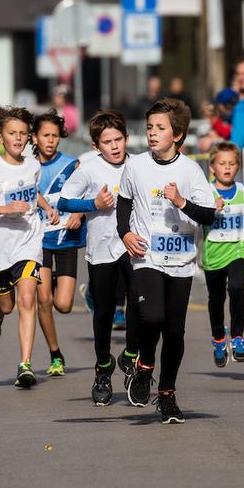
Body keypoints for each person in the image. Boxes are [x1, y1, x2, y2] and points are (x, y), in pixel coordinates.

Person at [118, 98, 216, 423]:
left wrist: (181, 201)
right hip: (146, 255)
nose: (152, 133)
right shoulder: (135, 166)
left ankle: (167, 394)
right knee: (152, 317)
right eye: (149, 127)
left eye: (160, 128)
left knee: (175, 332)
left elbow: (208, 215)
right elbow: (124, 202)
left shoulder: (190, 170)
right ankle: (145, 364)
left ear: (178, 134)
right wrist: (124, 234)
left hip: (181, 259)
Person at [0, 106, 59, 388]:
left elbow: (33, 189)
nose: (18, 138)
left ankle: (25, 365)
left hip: (28, 243)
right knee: (8, 304)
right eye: (11, 133)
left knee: (28, 298)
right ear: (0, 137)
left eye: (22, 133)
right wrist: (4, 208)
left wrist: (46, 207)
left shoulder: (33, 164)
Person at [59, 110, 141, 405]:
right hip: (101, 248)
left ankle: (131, 355)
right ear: (96, 146)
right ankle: (103, 367)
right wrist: (92, 203)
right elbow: (63, 200)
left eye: (119, 139)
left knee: (139, 303)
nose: (115, 146)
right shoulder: (89, 169)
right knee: (104, 312)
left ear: (127, 139)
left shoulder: (139, 165)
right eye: (107, 142)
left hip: (133, 247)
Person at [202, 142, 244, 366]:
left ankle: (238, 337)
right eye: (222, 163)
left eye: (232, 164)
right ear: (212, 167)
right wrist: (211, 208)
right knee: (216, 299)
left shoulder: (243, 190)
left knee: (236, 288)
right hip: (214, 253)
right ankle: (219, 338)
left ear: (238, 167)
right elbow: (197, 216)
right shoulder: (205, 192)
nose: (227, 168)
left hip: (239, 248)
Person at [30, 109, 76, 378]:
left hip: (65, 237)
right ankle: (55, 354)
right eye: (45, 135)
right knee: (43, 298)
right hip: (38, 239)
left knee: (64, 305)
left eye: (55, 136)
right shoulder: (27, 166)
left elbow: (87, 192)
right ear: (34, 137)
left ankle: (56, 280)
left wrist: (79, 215)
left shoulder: (71, 165)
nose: (50, 140)